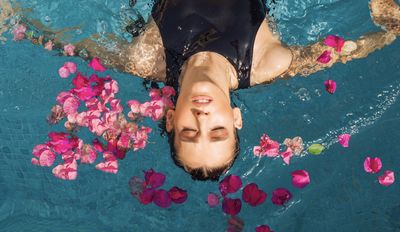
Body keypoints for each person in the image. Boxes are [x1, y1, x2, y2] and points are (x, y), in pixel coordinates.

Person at [2, 0, 399, 180]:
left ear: (170, 119)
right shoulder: (267, 62)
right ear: (236, 118)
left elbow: (55, 38)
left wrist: (11, 16)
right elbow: (347, 51)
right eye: (218, 131)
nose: (203, 118)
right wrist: (386, 20)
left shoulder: (147, 60)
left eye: (189, 132)